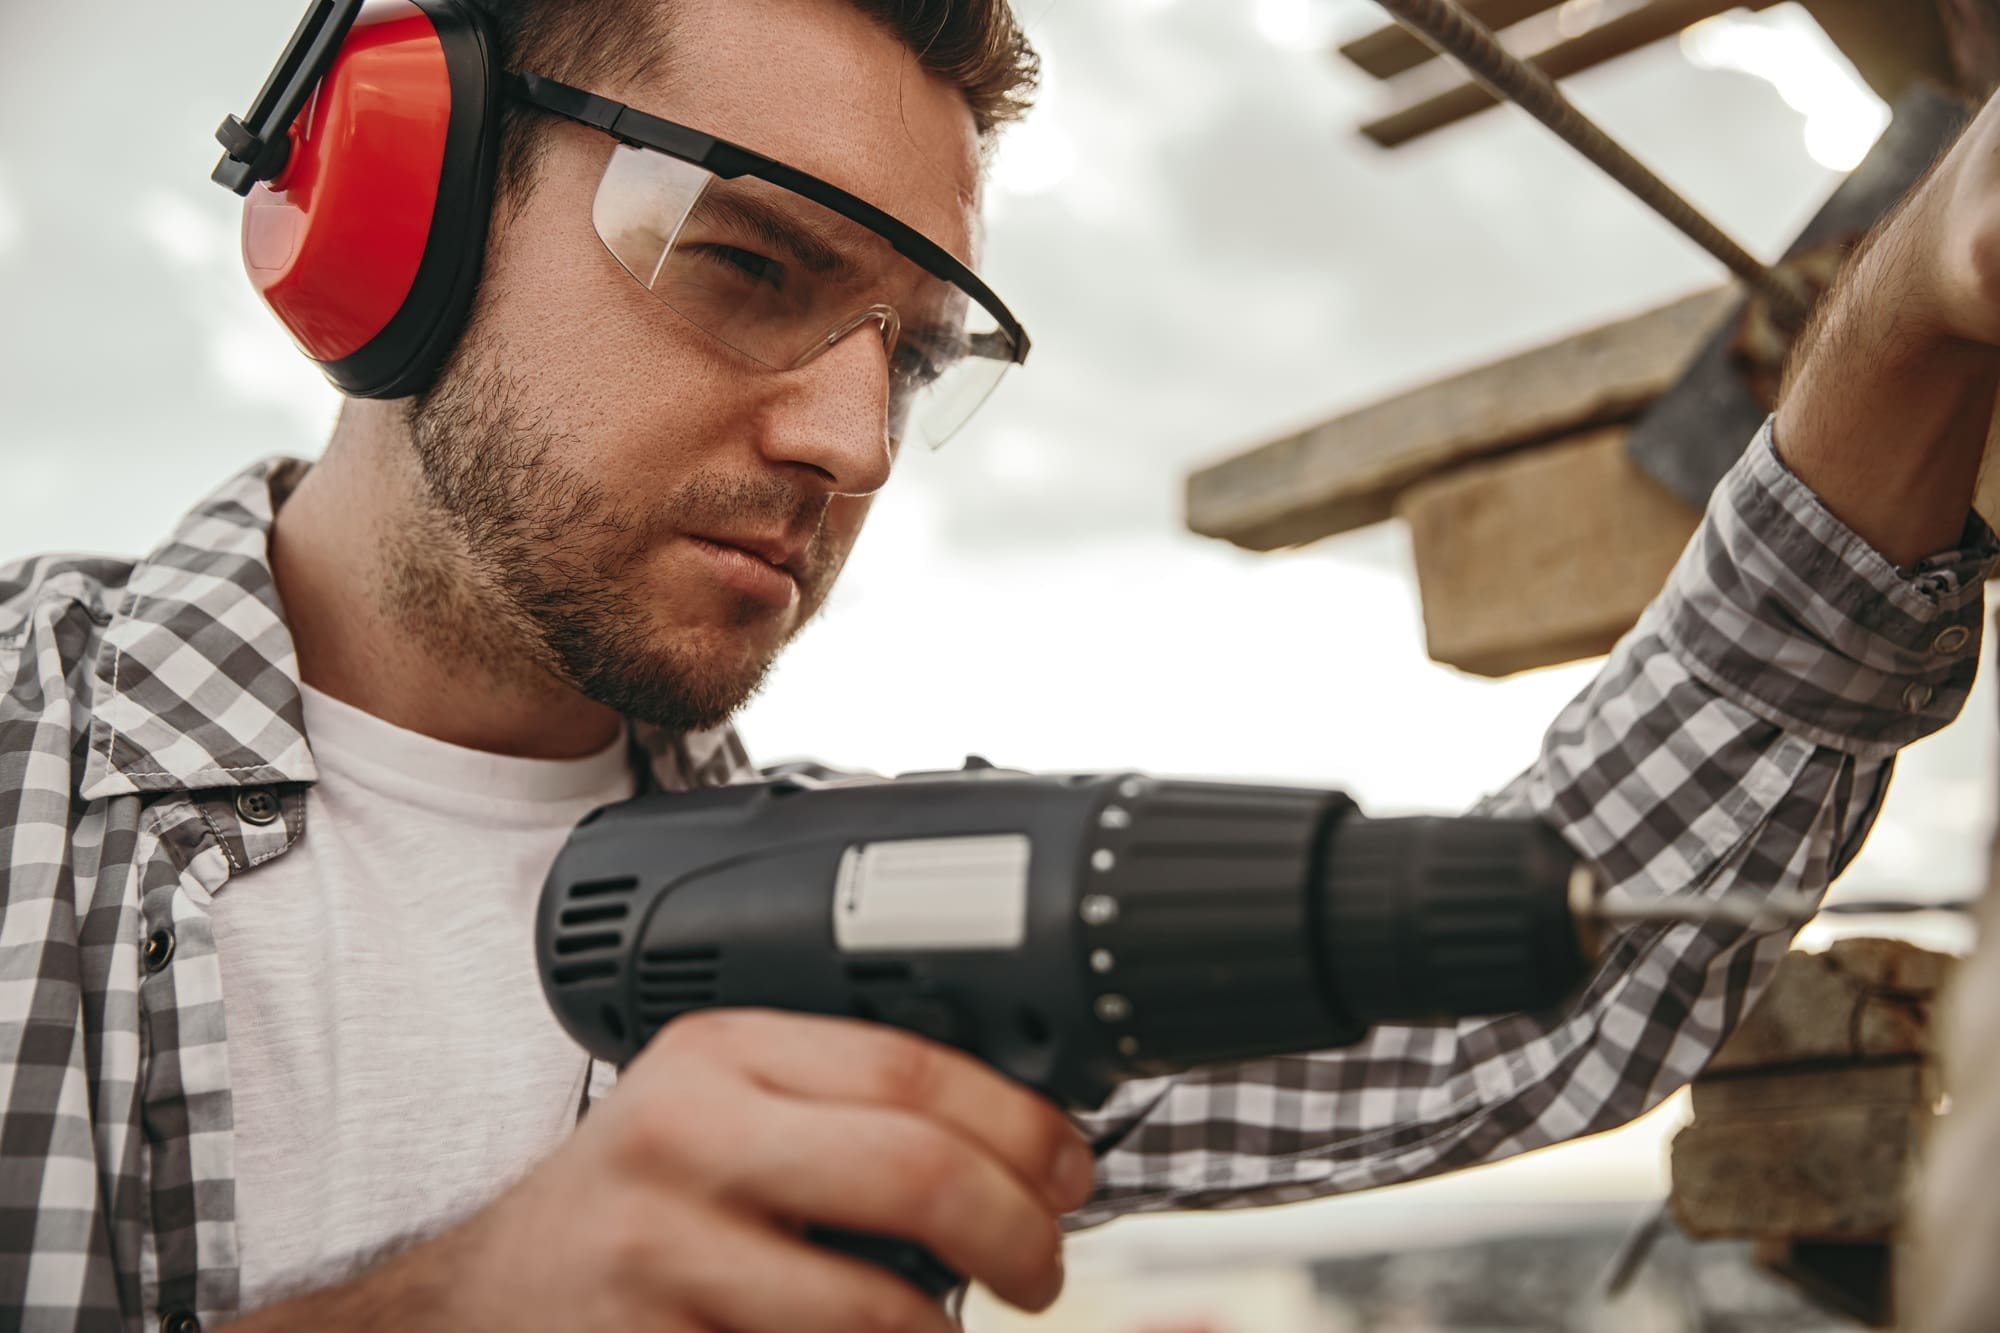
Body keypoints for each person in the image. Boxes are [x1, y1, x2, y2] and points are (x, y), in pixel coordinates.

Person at [4, 0, 1999, 1329]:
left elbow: (1535, 991)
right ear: (392, 210)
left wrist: (1912, 313)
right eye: (750, 263)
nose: (852, 444)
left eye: (913, 353)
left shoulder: (851, 927)